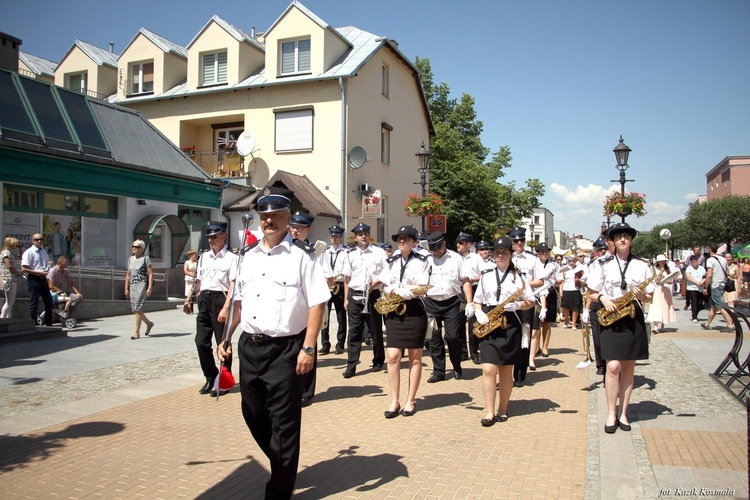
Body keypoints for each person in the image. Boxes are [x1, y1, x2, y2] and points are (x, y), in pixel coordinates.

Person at [218, 189, 328, 500]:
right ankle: (283, 462)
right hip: (250, 348)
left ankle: (278, 488)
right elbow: (239, 302)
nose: (269, 221)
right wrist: (226, 337)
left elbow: (317, 303)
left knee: (284, 422)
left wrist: (309, 348)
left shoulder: (302, 258)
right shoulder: (248, 258)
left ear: (287, 218)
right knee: (252, 411)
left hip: (286, 350)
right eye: (264, 216)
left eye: (275, 216)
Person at [587, 222, 654, 434]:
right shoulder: (602, 263)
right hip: (610, 314)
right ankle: (610, 413)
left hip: (631, 316)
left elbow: (649, 296)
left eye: (626, 236)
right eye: (618, 237)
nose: (623, 239)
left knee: (628, 367)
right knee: (613, 366)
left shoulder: (642, 265)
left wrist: (642, 295)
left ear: (631, 240)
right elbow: (591, 292)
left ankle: (623, 413)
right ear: (613, 242)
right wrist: (603, 297)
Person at [473, 236, 535, 426]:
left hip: (510, 323)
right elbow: (478, 300)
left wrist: (517, 304)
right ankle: (489, 411)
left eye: (504, 253)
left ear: (510, 254)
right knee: (488, 368)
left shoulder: (520, 277)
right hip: (489, 320)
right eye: (497, 253)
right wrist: (477, 312)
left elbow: (530, 301)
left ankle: (503, 409)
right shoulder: (487, 275)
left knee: (506, 371)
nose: (500, 256)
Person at [379, 225, 431, 418]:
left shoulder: (423, 261)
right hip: (394, 310)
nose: (402, 241)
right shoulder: (391, 261)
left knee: (415, 357)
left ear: (414, 241)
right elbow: (384, 285)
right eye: (399, 238)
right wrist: (392, 290)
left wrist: (409, 290)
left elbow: (424, 287)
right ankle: (394, 400)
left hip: (414, 310)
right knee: (392, 356)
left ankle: (410, 400)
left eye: (407, 238)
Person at [288, 210, 331, 408]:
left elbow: (328, 278)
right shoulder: (285, 249)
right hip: (290, 309)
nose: (294, 231)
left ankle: (307, 391)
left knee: (308, 347)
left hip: (309, 309)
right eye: (293, 227)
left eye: (299, 228)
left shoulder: (315, 252)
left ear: (308, 229)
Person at [190, 222, 237, 395]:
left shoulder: (232, 257)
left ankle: (224, 381)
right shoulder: (204, 256)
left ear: (224, 236)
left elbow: (233, 283)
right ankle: (210, 376)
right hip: (204, 298)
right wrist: (191, 298)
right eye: (209, 237)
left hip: (220, 299)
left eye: (214, 236)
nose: (211, 240)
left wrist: (226, 307)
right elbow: (200, 279)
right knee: (200, 342)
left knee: (223, 343)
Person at [424, 231, 473, 383]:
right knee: (434, 338)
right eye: (433, 249)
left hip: (451, 302)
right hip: (431, 302)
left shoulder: (456, 258)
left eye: (438, 248)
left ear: (444, 244)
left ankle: (456, 365)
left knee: (452, 337)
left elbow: (465, 281)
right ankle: (439, 371)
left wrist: (470, 303)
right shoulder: (425, 260)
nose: (436, 252)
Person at [341, 222, 387, 378]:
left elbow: (386, 272)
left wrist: (375, 283)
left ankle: (378, 361)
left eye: (366, 233)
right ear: (356, 237)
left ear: (369, 235)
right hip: (355, 294)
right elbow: (347, 278)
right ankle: (351, 365)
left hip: (372, 293)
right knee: (354, 331)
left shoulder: (379, 252)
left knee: (375, 329)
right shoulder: (350, 254)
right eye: (360, 234)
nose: (363, 236)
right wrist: (346, 299)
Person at [509, 227, 536, 387]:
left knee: (524, 337)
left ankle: (520, 374)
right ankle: (506, 374)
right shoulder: (506, 256)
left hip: (526, 301)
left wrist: (523, 286)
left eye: (521, 240)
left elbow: (540, 280)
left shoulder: (532, 259)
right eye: (516, 241)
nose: (519, 243)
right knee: (509, 337)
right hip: (509, 303)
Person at [529, 241, 559, 370]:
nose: (544, 254)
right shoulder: (534, 264)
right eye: (542, 252)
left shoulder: (553, 265)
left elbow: (560, 279)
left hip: (550, 292)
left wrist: (552, 279)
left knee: (547, 322)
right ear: (538, 253)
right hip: (536, 293)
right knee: (537, 324)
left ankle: (545, 347)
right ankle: (536, 348)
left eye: (546, 252)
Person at [455, 231, 482, 363]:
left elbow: (484, 273)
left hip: (474, 289)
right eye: (457, 243)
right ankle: (463, 351)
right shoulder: (454, 258)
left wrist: (473, 278)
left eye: (461, 243)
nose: (458, 245)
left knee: (473, 324)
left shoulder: (476, 258)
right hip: (459, 291)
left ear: (468, 244)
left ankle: (474, 351)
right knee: (459, 323)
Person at [320, 225, 347, 355]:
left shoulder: (346, 252)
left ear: (340, 237)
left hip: (339, 285)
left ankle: (340, 344)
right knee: (324, 314)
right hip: (326, 285)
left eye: (336, 236)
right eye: (332, 236)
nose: (333, 238)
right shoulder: (324, 251)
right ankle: (325, 344)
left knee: (341, 315)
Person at [124, 239, 154, 339]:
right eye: (133, 246)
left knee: (137, 308)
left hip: (141, 284)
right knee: (135, 309)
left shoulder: (145, 259)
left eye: (136, 247)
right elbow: (128, 274)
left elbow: (150, 274)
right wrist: (126, 288)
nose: (133, 248)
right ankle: (149, 323)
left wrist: (149, 287)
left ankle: (136, 332)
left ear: (141, 248)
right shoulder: (130, 259)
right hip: (133, 286)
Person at [22, 233, 54, 326]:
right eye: (37, 240)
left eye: (41, 239)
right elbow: (24, 268)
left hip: (43, 279)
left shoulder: (44, 252)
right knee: (34, 303)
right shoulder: (29, 252)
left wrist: (48, 266)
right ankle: (33, 324)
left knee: (49, 302)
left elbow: (45, 265)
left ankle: (49, 324)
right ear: (33, 241)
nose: (39, 241)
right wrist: (38, 272)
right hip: (33, 279)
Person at [701, 244, 735, 332]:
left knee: (721, 306)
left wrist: (705, 287)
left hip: (715, 285)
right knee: (714, 306)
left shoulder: (710, 260)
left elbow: (709, 275)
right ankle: (707, 324)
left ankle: (730, 325)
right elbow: (727, 272)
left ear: (709, 249)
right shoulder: (723, 259)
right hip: (722, 284)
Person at [647, 254, 677, 334]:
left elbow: (670, 280)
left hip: (665, 289)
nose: (662, 262)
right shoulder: (654, 269)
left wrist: (669, 280)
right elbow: (654, 281)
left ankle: (663, 326)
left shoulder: (667, 269)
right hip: (657, 289)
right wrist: (659, 276)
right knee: (656, 306)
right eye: (661, 261)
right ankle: (656, 327)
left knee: (665, 306)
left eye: (663, 261)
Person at [1, 237, 24, 318]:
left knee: (9, 302)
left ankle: (7, 318)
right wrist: (17, 272)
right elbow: (9, 266)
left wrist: (20, 247)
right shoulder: (6, 253)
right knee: (9, 302)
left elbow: (21, 257)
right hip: (9, 279)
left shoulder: (10, 253)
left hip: (10, 278)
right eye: (14, 244)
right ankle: (2, 318)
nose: (15, 246)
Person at [684, 255, 706, 323]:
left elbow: (705, 276)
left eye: (696, 261)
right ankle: (694, 316)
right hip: (692, 288)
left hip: (700, 288)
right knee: (694, 302)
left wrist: (702, 282)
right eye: (694, 262)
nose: (695, 263)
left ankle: (695, 312)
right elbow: (688, 277)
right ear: (691, 262)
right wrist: (696, 282)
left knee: (700, 303)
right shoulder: (689, 268)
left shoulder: (702, 268)